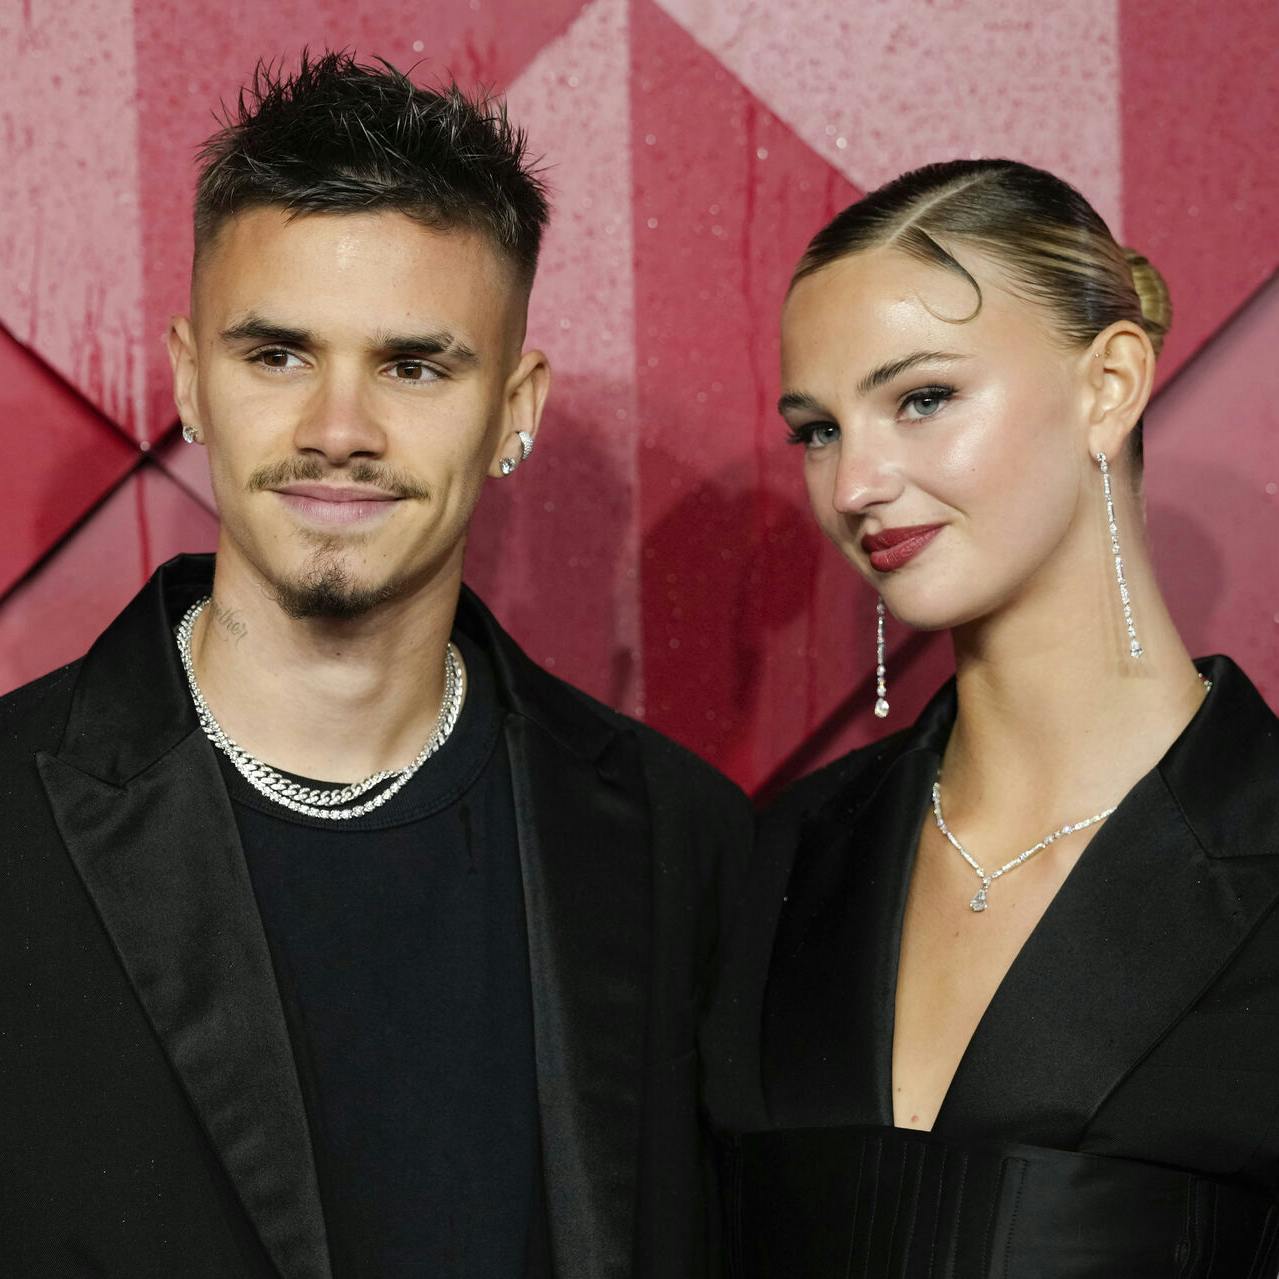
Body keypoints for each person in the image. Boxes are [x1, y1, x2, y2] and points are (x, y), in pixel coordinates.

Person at [0, 53, 750, 1279]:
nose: (337, 431)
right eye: (277, 356)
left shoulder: (681, 844)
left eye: (413, 365)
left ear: (515, 408)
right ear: (191, 380)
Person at [702, 159, 1279, 1275]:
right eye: (817, 430)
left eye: (921, 398)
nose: (853, 484)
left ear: (1109, 384)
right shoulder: (780, 859)